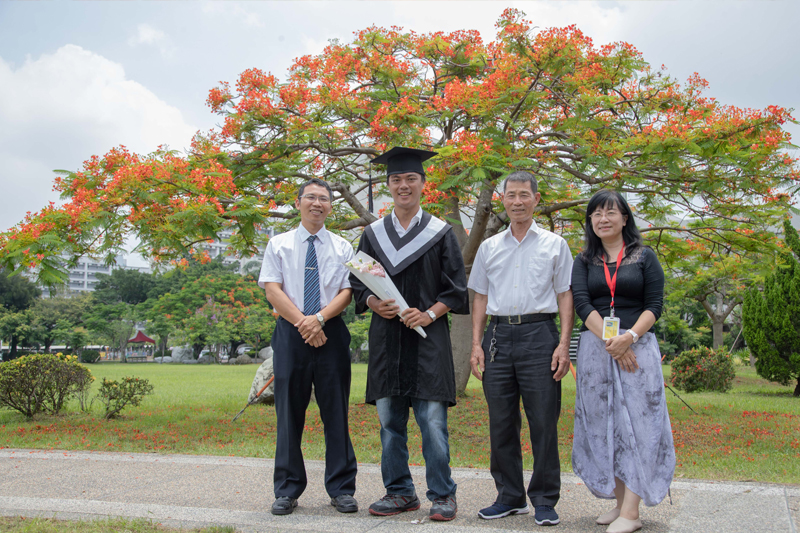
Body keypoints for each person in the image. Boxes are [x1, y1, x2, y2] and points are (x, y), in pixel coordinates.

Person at [350, 146, 469, 522]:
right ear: (389, 185)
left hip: (428, 341)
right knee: (389, 422)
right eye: (397, 180)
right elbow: (356, 281)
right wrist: (371, 302)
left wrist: (430, 313)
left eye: (410, 179)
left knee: (432, 421)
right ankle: (399, 492)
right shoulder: (372, 234)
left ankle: (442, 494)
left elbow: (455, 289)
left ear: (422, 184)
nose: (404, 186)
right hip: (387, 340)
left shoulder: (441, 233)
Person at [468, 171, 574, 526]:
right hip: (497, 338)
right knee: (501, 422)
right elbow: (480, 296)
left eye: (524, 195)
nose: (517, 201)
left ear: (536, 199)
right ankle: (509, 496)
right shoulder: (489, 246)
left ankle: (544, 498)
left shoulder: (555, 245)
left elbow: (565, 295)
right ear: (503, 200)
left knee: (543, 420)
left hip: (539, 335)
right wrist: (476, 345)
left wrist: (563, 345)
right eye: (511, 195)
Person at [570, 189, 675, 533]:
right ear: (590, 221)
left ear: (624, 218)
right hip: (595, 350)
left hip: (638, 350)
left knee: (640, 426)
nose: (603, 219)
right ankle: (618, 505)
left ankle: (632, 512)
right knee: (603, 426)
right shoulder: (584, 260)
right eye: (596, 213)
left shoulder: (645, 256)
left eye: (610, 212)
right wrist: (611, 341)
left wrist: (628, 338)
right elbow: (583, 305)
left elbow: (655, 304)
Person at [258, 178, 358, 516]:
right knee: (289, 412)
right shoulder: (279, 244)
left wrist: (319, 319)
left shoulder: (343, 246)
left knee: (336, 412)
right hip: (291, 334)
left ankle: (342, 489)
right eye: (311, 198)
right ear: (298, 202)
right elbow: (272, 289)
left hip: (331, 333)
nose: (317, 204)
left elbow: (348, 291)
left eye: (324, 199)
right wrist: (304, 322)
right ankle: (287, 489)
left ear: (331, 206)